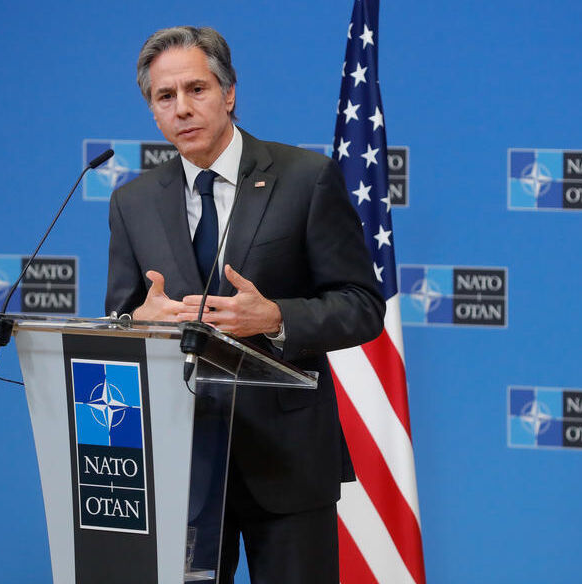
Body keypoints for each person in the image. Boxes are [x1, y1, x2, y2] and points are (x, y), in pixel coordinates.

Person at [105, 25, 384, 584]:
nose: (182, 108)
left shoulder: (305, 179)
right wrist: (138, 323)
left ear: (229, 93)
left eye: (196, 89)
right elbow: (120, 319)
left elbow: (361, 305)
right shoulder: (132, 202)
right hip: (181, 464)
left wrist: (277, 318)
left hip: (287, 462)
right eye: (165, 96)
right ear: (153, 112)